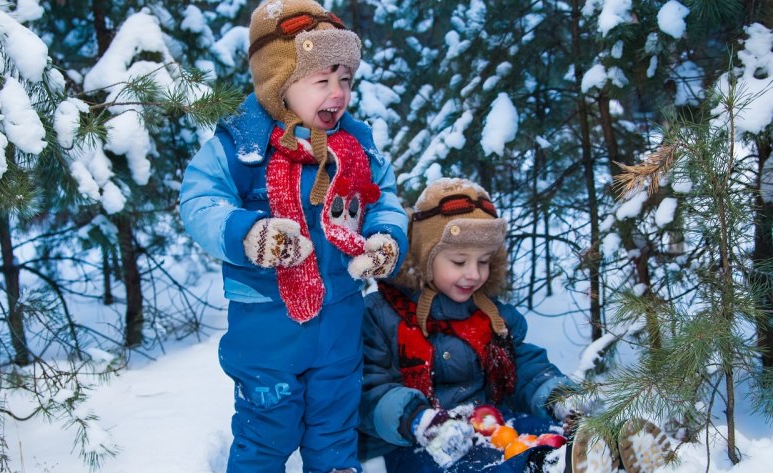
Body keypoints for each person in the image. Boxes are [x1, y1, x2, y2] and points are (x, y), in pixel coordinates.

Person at [178, 1, 408, 472]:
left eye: (344, 79)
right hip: (267, 329)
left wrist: (385, 238)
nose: (338, 93)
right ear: (279, 84)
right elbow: (200, 202)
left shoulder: (356, 147)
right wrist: (248, 234)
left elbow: (384, 200)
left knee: (334, 433)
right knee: (266, 434)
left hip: (340, 323)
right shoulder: (241, 146)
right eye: (322, 80)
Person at [358, 178, 670, 473]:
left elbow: (526, 370)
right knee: (478, 464)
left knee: (544, 431)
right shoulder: (382, 314)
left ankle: (605, 449)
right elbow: (371, 388)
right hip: (420, 442)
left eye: (484, 261)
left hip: (494, 421)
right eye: (459, 262)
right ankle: (550, 465)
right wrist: (419, 420)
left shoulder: (494, 316)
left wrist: (558, 397)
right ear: (425, 257)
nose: (474, 274)